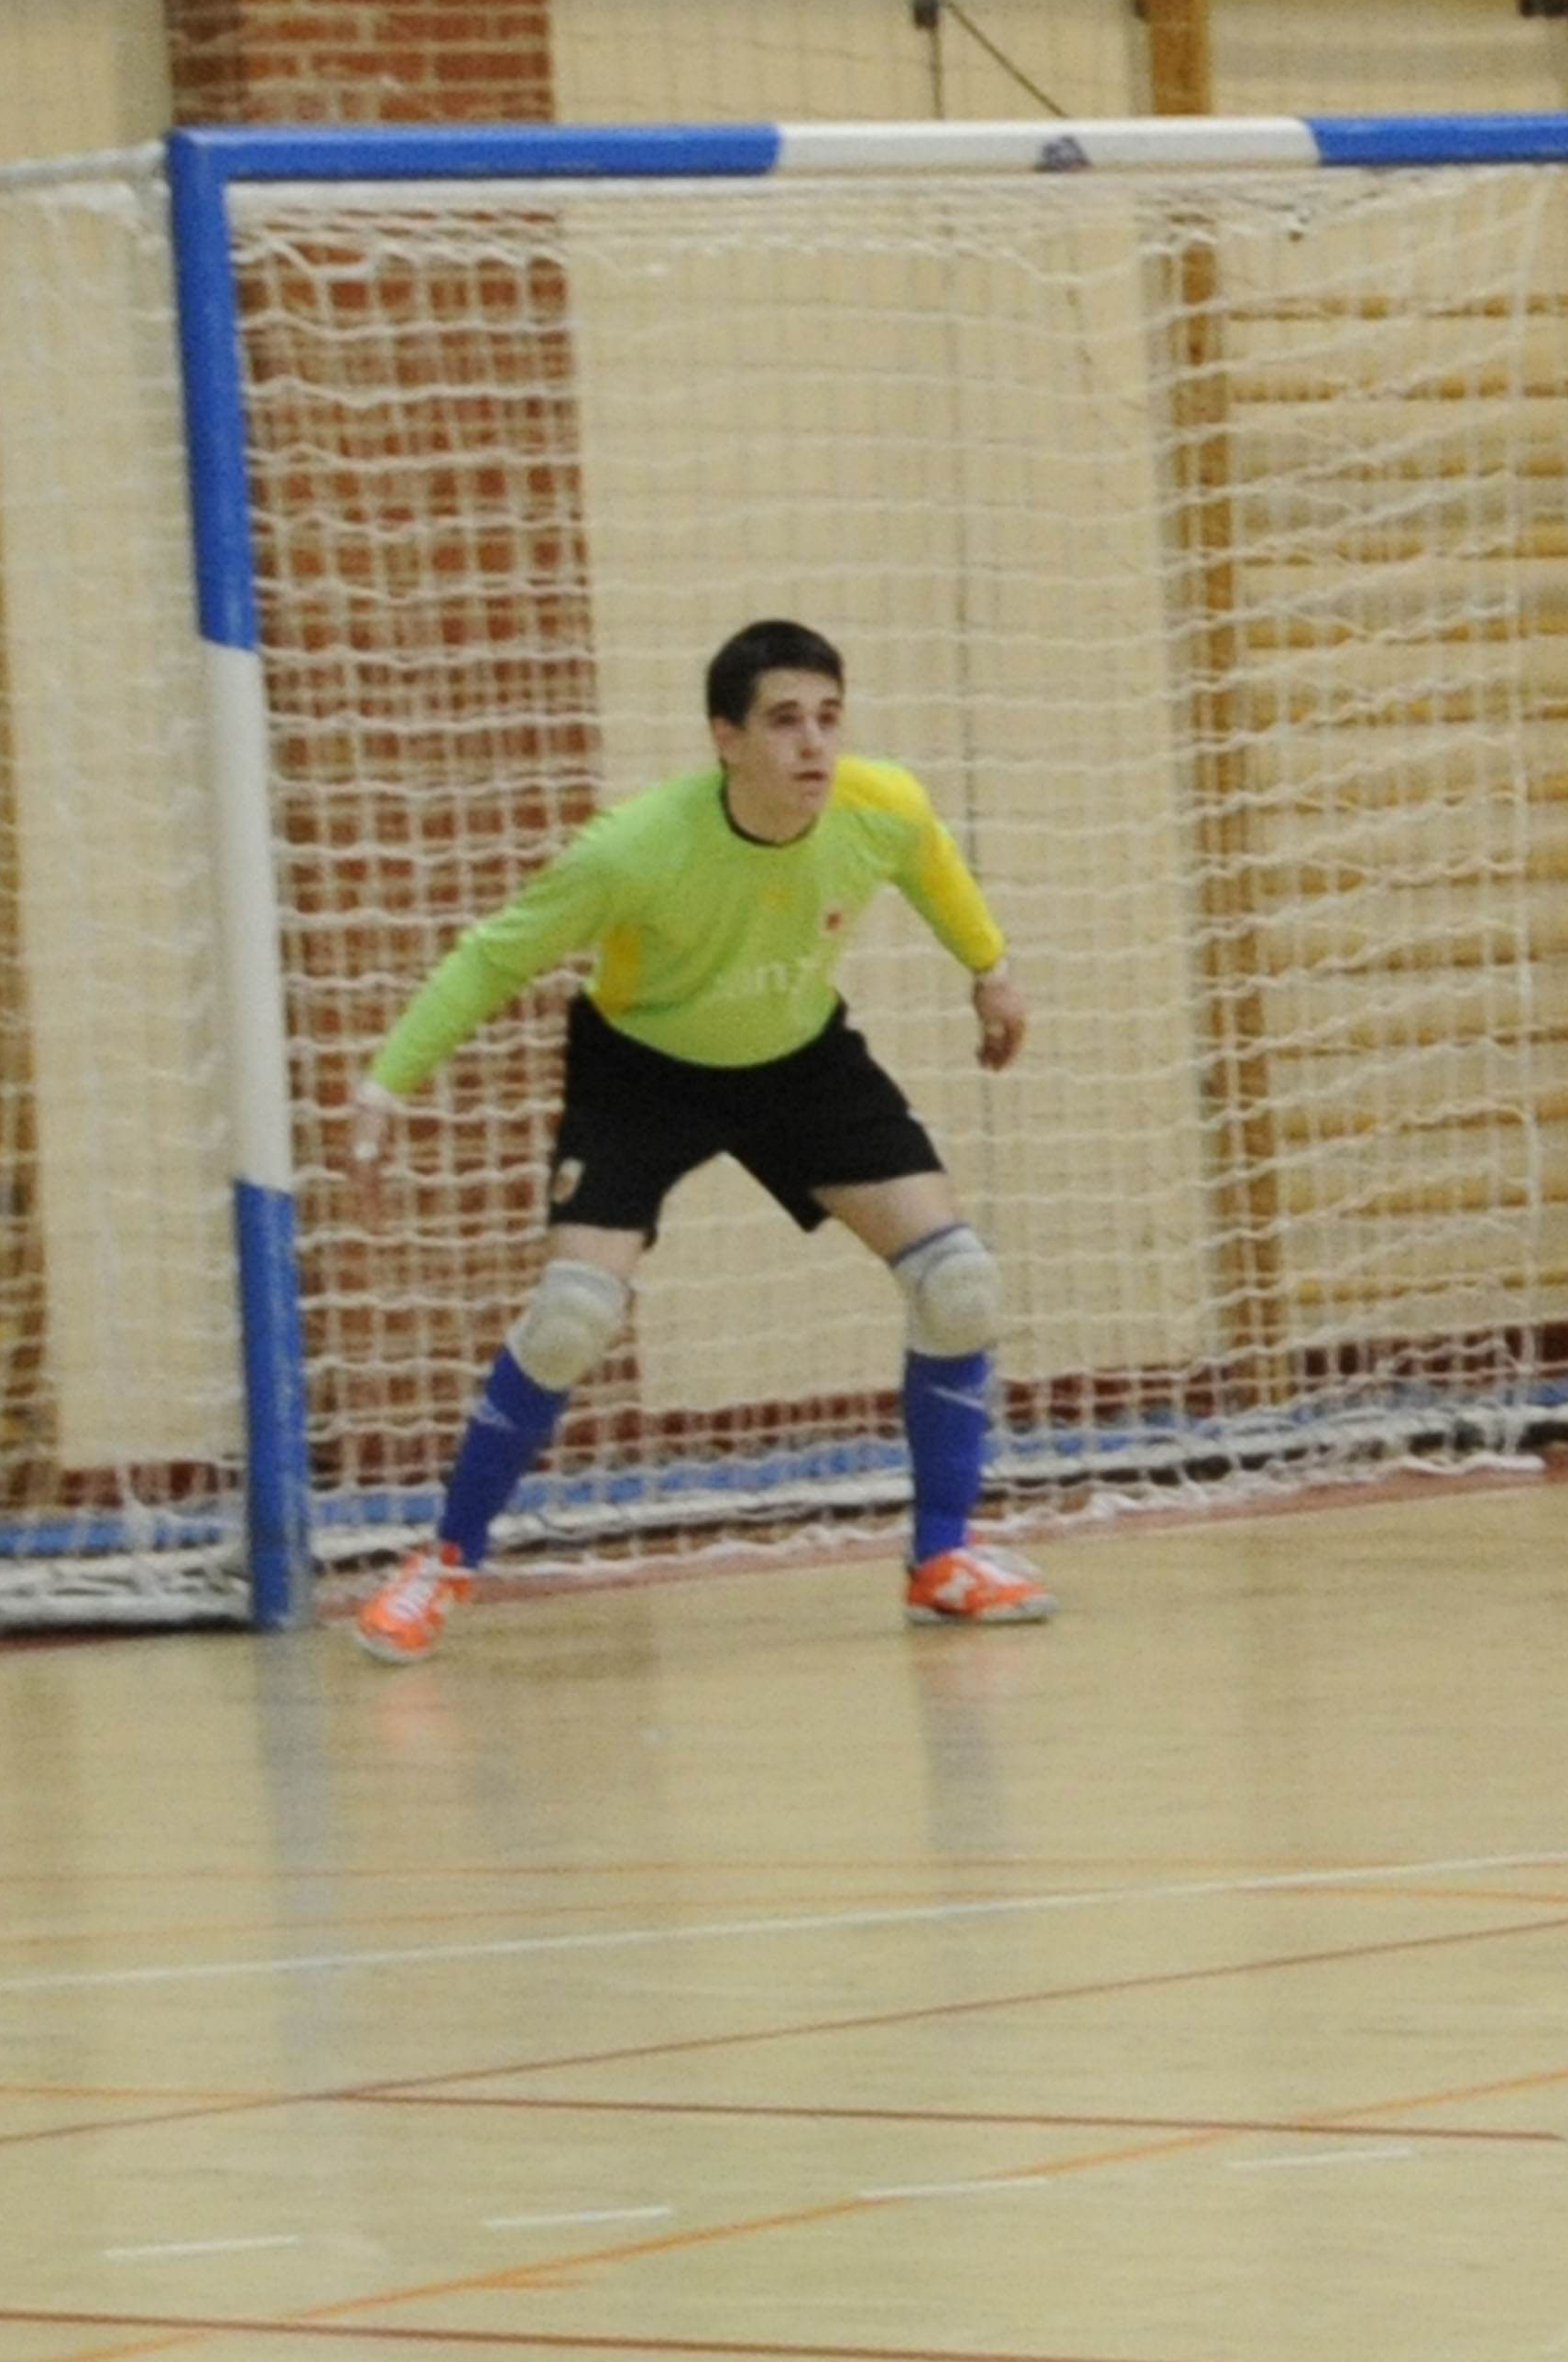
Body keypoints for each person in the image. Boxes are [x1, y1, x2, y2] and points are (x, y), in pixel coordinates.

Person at [337, 619, 1051, 1657]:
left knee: (959, 1284)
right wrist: (383, 1086)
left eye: (827, 719)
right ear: (725, 737)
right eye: (782, 723)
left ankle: (941, 1556)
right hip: (640, 1075)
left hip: (800, 1060)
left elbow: (931, 865)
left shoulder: (878, 806)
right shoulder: (632, 850)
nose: (813, 745)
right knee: (573, 1314)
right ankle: (443, 1561)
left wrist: (989, 968)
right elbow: (491, 958)